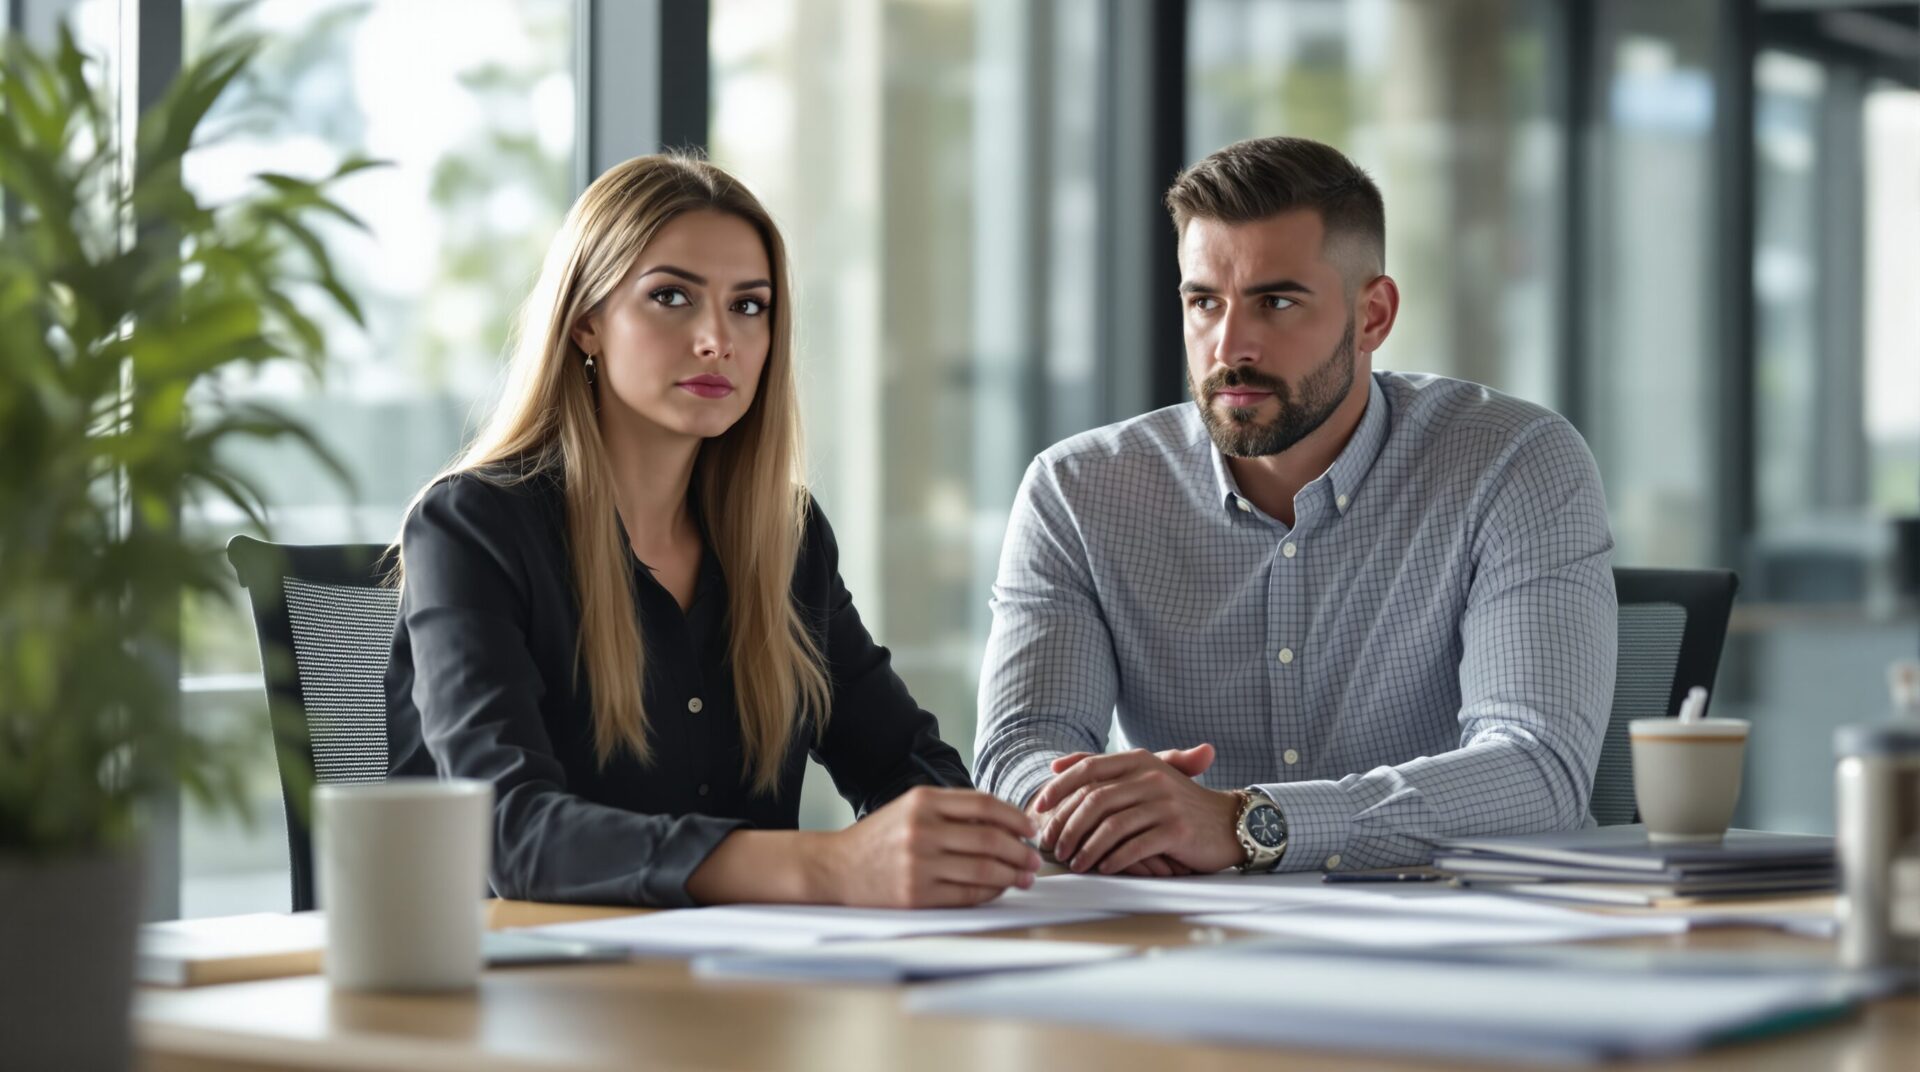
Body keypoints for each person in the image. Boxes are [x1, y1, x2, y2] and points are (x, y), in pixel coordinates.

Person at [386, 154, 1038, 908]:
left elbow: (907, 764)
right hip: (517, 992)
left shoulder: (783, 538)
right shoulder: (470, 528)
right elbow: (509, 833)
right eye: (671, 297)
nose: (716, 340)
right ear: (586, 323)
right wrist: (823, 867)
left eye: (749, 307)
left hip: (743, 988)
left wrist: (958, 836)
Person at [973, 136, 1616, 878]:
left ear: (1372, 315)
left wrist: (1248, 823)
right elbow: (1020, 751)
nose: (1229, 346)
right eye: (1204, 302)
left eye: (1276, 302)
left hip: (1462, 940)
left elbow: (1538, 772)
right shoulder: (1079, 491)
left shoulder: (1512, 462)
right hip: (1186, 936)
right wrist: (1109, 820)